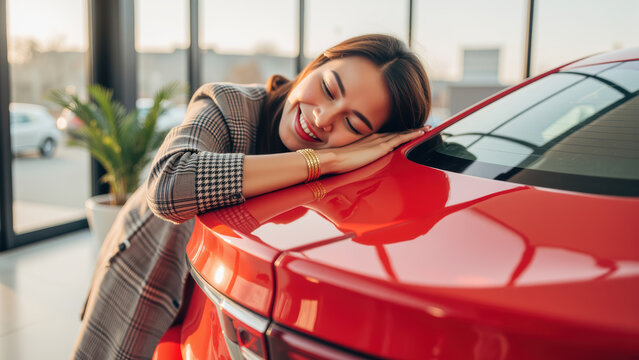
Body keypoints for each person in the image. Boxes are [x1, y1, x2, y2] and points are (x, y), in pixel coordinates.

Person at [72, 33, 431, 359]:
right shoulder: (230, 105)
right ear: (316, 65)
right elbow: (168, 186)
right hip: (146, 270)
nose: (323, 118)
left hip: (213, 302)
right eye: (328, 88)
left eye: (353, 124)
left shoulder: (359, 168)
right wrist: (326, 159)